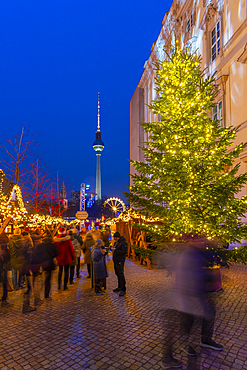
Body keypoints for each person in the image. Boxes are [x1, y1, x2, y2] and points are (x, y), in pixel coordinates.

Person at [162, 235, 223, 369]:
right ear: (193, 241)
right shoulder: (188, 255)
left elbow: (209, 259)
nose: (202, 243)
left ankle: (200, 342)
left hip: (194, 295)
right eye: (199, 241)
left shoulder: (197, 252)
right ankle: (174, 356)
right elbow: (187, 277)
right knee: (184, 324)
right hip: (188, 295)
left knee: (193, 321)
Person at [32, 232, 59, 301]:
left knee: (41, 278)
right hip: (49, 262)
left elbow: (36, 254)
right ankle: (46, 294)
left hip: (41, 263)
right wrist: (51, 256)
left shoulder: (40, 245)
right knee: (48, 278)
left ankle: (38, 294)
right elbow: (57, 253)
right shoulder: (52, 245)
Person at [112, 231, 128, 297]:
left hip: (120, 260)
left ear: (118, 237)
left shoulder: (124, 243)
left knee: (120, 274)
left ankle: (123, 289)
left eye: (115, 237)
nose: (114, 239)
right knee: (117, 273)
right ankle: (119, 286)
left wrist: (115, 250)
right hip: (116, 260)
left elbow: (124, 252)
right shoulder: (117, 243)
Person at [0, 233, 11, 308]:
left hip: (2, 265)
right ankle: (4, 298)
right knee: (4, 283)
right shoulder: (4, 245)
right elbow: (6, 255)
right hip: (3, 266)